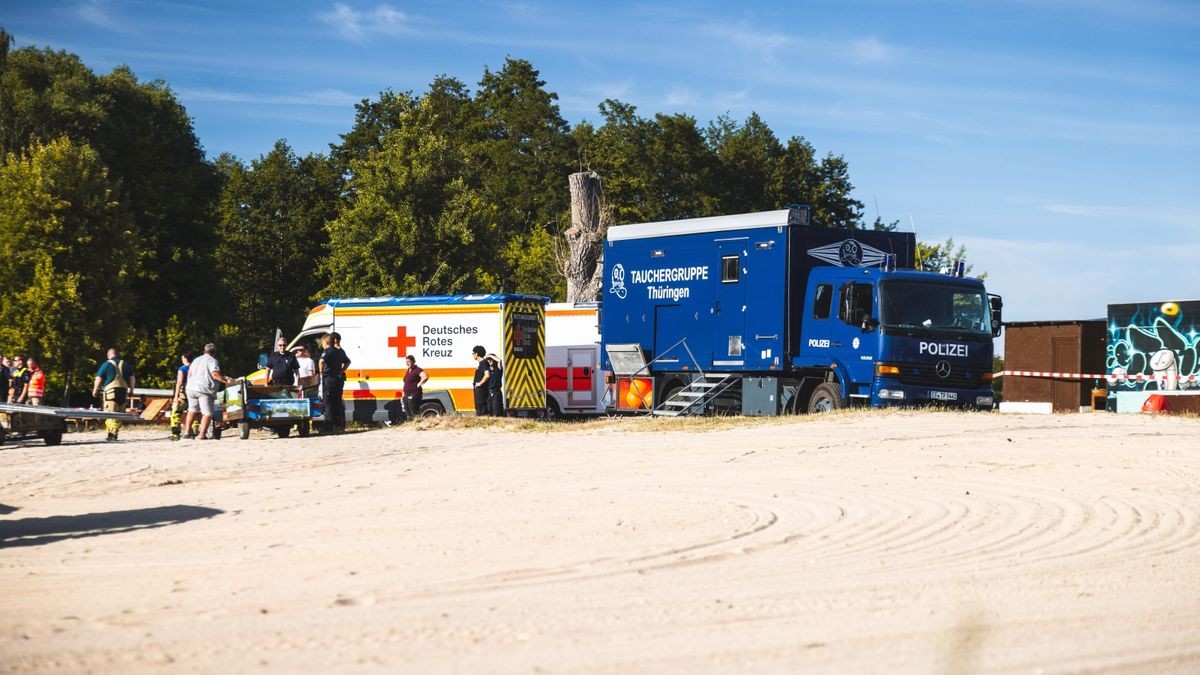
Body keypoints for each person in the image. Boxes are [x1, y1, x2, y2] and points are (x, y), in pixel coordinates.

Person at [183, 343, 234, 441]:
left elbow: (189, 373)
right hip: (204, 389)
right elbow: (215, 374)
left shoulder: (196, 360)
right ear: (214, 352)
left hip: (190, 387)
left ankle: (187, 433)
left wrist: (190, 384)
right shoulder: (212, 361)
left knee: (192, 410)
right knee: (207, 413)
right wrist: (226, 381)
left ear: (204, 350)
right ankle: (202, 435)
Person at [91, 347, 136, 442]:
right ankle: (115, 433)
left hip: (110, 391)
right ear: (117, 354)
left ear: (108, 355)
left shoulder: (106, 364)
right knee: (119, 413)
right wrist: (131, 390)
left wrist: (95, 390)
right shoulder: (126, 364)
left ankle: (112, 435)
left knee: (110, 412)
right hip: (123, 391)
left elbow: (99, 378)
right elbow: (132, 378)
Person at [319, 332, 351, 432]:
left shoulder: (328, 351)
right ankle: (339, 425)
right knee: (337, 402)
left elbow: (321, 361)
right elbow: (348, 361)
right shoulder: (340, 352)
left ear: (325, 342)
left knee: (328, 402)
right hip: (338, 379)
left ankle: (328, 426)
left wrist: (320, 372)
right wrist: (341, 370)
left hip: (329, 379)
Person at [169, 351, 194, 440]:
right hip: (194, 393)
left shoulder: (182, 369)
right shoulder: (195, 368)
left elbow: (179, 382)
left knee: (175, 413)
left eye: (182, 358)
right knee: (194, 413)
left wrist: (176, 396)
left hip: (183, 394)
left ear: (185, 358)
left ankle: (176, 434)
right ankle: (195, 431)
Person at [402, 355, 428, 421]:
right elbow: (406, 383)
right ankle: (410, 427)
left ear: (413, 361)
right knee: (408, 413)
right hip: (406, 395)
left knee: (414, 412)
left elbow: (425, 376)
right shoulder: (408, 371)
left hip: (414, 394)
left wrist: (419, 384)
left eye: (409, 361)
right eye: (406, 362)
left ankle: (418, 425)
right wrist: (403, 395)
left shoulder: (417, 370)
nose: (407, 363)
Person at [471, 345, 490, 416]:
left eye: (473, 353)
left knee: (481, 410)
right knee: (479, 408)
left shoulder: (483, 363)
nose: (472, 355)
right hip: (479, 391)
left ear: (477, 353)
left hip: (481, 391)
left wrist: (480, 383)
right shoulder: (482, 363)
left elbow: (487, 374)